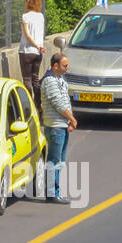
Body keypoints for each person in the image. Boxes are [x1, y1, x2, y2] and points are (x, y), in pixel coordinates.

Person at [40, 51, 76, 204]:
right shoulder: (49, 81)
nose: (67, 68)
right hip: (55, 127)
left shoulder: (60, 79)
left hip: (62, 125)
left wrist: (69, 121)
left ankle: (55, 191)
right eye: (65, 65)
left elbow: (66, 100)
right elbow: (58, 103)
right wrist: (72, 119)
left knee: (60, 161)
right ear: (55, 66)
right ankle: (51, 193)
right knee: (54, 161)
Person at [18, 0, 45, 100]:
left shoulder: (25, 17)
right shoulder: (41, 16)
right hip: (38, 53)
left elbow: (27, 35)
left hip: (26, 51)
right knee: (35, 79)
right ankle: (38, 104)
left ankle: (28, 104)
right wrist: (39, 47)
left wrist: (36, 46)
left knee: (27, 79)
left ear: (28, 3)